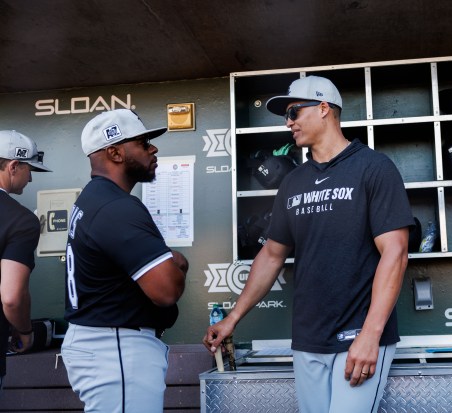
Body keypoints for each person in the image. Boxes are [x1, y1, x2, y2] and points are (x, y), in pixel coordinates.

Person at [204, 76, 414, 412]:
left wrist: (371, 335)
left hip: (358, 338)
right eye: (286, 116)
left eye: (293, 112)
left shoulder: (373, 168)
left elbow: (396, 252)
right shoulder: (293, 182)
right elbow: (272, 255)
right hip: (308, 340)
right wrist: (233, 317)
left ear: (323, 108)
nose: (288, 123)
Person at [61, 109, 188, 413]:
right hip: (115, 347)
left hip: (106, 342)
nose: (153, 148)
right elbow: (167, 289)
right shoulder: (116, 207)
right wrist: (178, 263)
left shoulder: (95, 198)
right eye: (143, 143)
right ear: (115, 152)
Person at [0, 130, 52, 391]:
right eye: (29, 169)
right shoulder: (20, 219)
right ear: (13, 166)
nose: (30, 177)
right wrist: (24, 332)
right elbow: (11, 296)